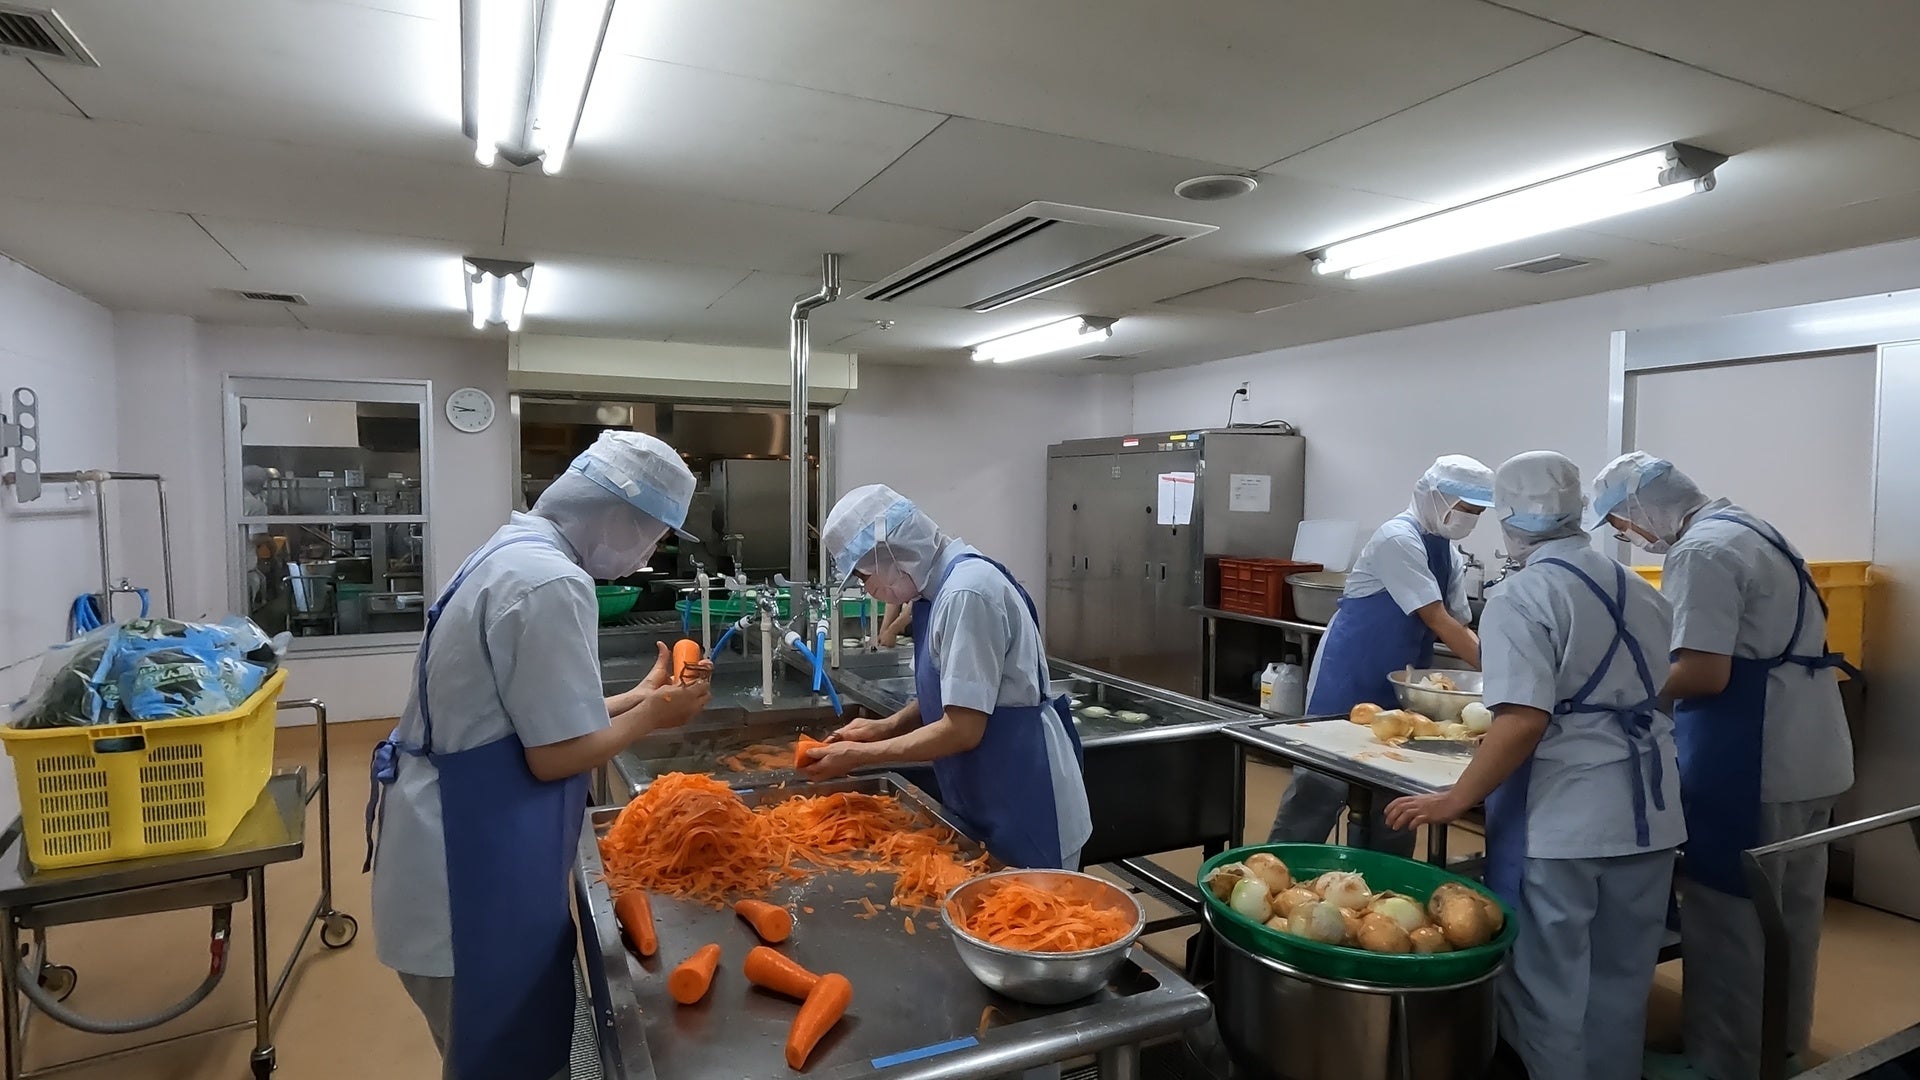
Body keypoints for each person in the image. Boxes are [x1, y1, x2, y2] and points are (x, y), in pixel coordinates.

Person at [365, 431, 713, 1080]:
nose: (651, 552)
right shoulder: (552, 581)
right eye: (655, 534)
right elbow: (553, 756)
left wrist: (636, 697)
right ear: (617, 516)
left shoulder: (512, 552)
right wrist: (655, 716)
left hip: (452, 846)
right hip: (468, 883)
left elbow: (525, 713)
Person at [1387, 451, 1685, 1080]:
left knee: (1548, 987)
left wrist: (1452, 799)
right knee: (1622, 981)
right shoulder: (1642, 590)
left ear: (1509, 518)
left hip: (1566, 816)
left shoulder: (1522, 596)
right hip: (1650, 809)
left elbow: (1522, 720)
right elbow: (1659, 692)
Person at [1593, 452, 1854, 1080]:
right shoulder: (1753, 530)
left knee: (1728, 915)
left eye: (1622, 523)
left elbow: (1703, 672)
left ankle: (1723, 1062)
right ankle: (1778, 1045)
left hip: (1752, 758)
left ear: (1641, 507)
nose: (1628, 535)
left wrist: (1616, 695)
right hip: (1812, 751)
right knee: (1792, 917)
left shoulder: (1700, 552)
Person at [802, 484, 1092, 871]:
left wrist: (860, 755)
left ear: (889, 553)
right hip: (989, 793)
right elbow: (954, 692)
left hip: (1026, 799)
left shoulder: (966, 593)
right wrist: (884, 727)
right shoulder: (935, 593)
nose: (867, 587)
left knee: (1034, 907)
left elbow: (963, 729)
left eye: (862, 574)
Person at [1269, 455, 1493, 854]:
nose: (1469, 519)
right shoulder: (1397, 538)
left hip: (1403, 687)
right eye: (1465, 509)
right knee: (1321, 785)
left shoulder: (1449, 553)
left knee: (1395, 790)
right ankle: (1280, 864)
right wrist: (1502, 674)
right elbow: (1438, 619)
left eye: (1477, 513)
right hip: (1350, 674)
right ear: (1436, 497)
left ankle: (1378, 877)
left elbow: (1461, 623)